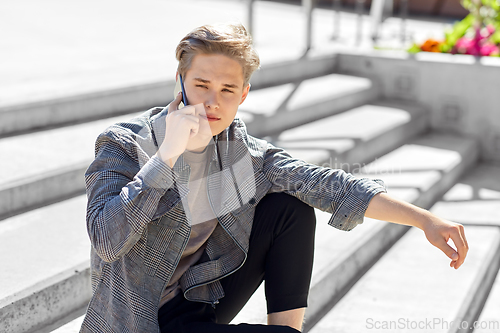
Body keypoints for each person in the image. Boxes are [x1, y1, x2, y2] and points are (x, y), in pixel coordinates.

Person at [81, 23, 468, 333]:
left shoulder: (240, 151)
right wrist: (167, 156)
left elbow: (329, 185)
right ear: (180, 80)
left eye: (227, 89)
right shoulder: (126, 144)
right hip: (135, 320)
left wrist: (424, 219)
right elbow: (106, 239)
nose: (213, 101)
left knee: (289, 207)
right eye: (201, 85)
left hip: (198, 300)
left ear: (244, 94)